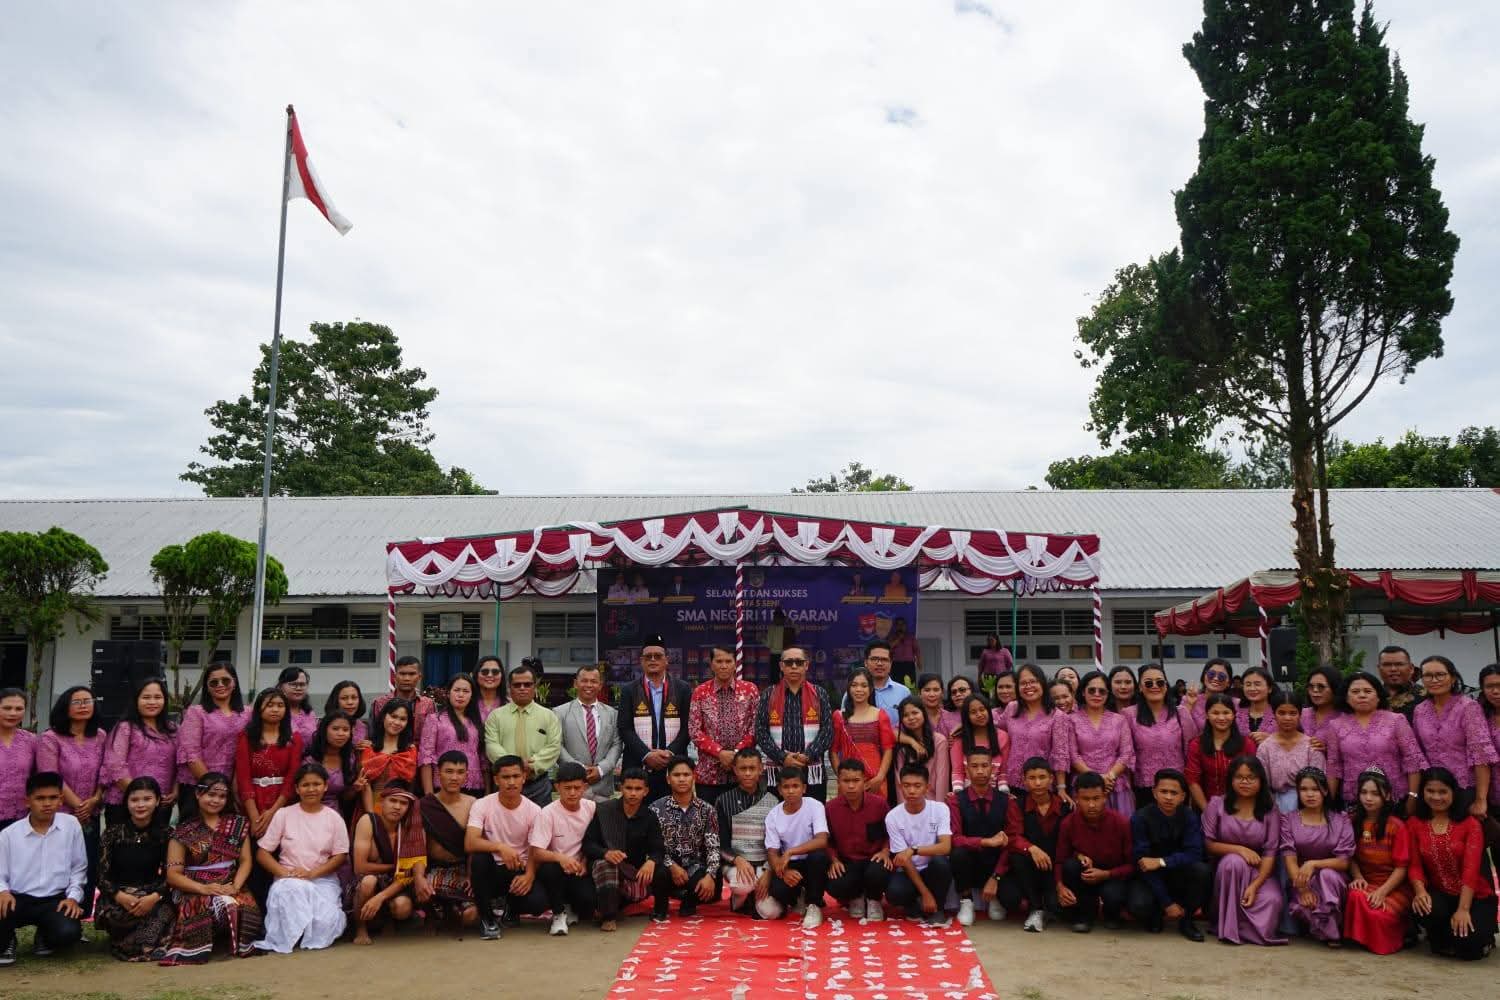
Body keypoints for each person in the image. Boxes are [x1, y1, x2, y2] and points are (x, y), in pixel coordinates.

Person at [160, 771, 263, 965]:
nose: (216, 800)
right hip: (194, 886)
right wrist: (204, 889)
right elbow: (173, 875)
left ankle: (233, 942)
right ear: (198, 795)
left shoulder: (238, 824)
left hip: (229, 882)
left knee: (245, 907)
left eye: (222, 796)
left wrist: (235, 886)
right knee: (212, 906)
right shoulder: (183, 831)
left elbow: (246, 860)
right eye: (211, 794)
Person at [253, 763, 350, 953]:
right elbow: (262, 853)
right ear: (297, 789)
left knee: (326, 922)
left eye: (316, 784)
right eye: (305, 785)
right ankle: (290, 935)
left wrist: (311, 873)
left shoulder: (334, 817)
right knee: (290, 889)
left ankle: (305, 931)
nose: (311, 789)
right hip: (288, 880)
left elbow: (340, 856)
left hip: (322, 880)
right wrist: (287, 874)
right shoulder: (284, 814)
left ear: (325, 786)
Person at [1407, 766, 1497, 960]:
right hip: (1441, 894)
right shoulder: (1415, 824)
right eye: (1430, 791)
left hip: (1475, 897)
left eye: (1442, 792)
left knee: (1469, 948)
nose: (1436, 797)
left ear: (1453, 793)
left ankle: (1482, 939)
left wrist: (1463, 910)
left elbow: (1471, 871)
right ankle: (1442, 936)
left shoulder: (1470, 824)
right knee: (1425, 908)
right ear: (1422, 793)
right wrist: (1420, 892)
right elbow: (1414, 865)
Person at [0, 772, 87, 966]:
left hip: (53, 900)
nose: (47, 803)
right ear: (27, 801)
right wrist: (3, 891)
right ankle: (7, 940)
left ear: (61, 800)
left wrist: (73, 897)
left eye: (53, 797)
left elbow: (78, 868)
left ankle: (45, 936)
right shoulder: (9, 835)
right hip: (17, 899)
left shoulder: (71, 825)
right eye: (40, 798)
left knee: (67, 933)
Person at [1202, 754, 1286, 945]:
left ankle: (1246, 931)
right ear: (1231, 780)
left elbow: (1270, 852)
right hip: (1227, 870)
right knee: (1234, 862)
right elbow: (1209, 843)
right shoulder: (1217, 805)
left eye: (1251, 777)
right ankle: (1228, 927)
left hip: (1259, 872)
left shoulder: (1270, 810)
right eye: (1239, 777)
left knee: (1272, 901)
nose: (1245, 782)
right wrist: (1239, 849)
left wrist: (1255, 885)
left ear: (1261, 781)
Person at [37, 686, 106, 917]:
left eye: (88, 701)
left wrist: (95, 800)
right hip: (60, 814)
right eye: (77, 702)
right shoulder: (51, 737)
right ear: (65, 706)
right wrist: (78, 805)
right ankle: (52, 919)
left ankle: (81, 915)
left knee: (86, 864)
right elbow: (51, 776)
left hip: (91, 813)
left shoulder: (101, 736)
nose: (84, 706)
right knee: (59, 868)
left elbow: (105, 772)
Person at [466, 755, 548, 939]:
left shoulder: (534, 811)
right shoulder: (482, 805)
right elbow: (470, 842)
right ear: (496, 780)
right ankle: (487, 919)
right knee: (479, 859)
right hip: (492, 870)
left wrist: (529, 875)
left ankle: (512, 908)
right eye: (505, 777)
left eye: (516, 776)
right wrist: (501, 847)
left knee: (538, 902)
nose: (511, 782)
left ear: (524, 777)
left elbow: (537, 850)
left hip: (519, 869)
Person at [93, 776, 174, 961]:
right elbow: (101, 874)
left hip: (151, 894)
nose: (140, 805)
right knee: (118, 916)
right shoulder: (112, 833)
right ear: (126, 802)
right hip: (119, 896)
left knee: (166, 911)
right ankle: (140, 943)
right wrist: (121, 897)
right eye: (134, 800)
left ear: (158, 801)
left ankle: (138, 943)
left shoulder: (166, 834)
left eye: (147, 799)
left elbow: (172, 873)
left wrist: (153, 898)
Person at [1325, 672, 1427, 812]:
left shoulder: (1397, 720)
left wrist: (1412, 797)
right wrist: (1328, 803)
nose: (1362, 695)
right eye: (1355, 691)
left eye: (1368, 691)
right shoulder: (1335, 726)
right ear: (1346, 698)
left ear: (1378, 696)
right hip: (1355, 800)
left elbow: (1413, 762)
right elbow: (1333, 767)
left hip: (1393, 798)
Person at [1128, 768, 1210, 941]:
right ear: (1154, 792)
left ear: (1182, 796)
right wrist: (1167, 903)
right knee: (1138, 905)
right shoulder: (1140, 818)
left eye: (1174, 793)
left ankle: (1186, 921)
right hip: (1148, 877)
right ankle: (1156, 913)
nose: (1168, 797)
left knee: (1202, 871)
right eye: (1163, 791)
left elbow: (1195, 853)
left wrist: (1162, 861)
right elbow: (1142, 864)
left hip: (1178, 873)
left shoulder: (1189, 817)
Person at [583, 768, 668, 932]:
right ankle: (608, 917)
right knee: (606, 866)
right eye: (629, 788)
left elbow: (658, 848)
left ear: (646, 791)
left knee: (661, 871)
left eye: (638, 789)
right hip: (606, 870)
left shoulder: (649, 816)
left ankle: (659, 911)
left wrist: (651, 862)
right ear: (621, 788)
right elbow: (588, 844)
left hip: (632, 872)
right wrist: (606, 853)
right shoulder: (604, 810)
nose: (633, 793)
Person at [1343, 767, 1414, 955]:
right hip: (1367, 882)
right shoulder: (1352, 821)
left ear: (1388, 795)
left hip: (1394, 886)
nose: (1368, 798)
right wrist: (1357, 877)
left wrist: (1382, 892)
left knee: (1379, 915)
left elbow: (1402, 868)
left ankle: (1398, 934)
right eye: (1364, 792)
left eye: (1375, 793)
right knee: (1355, 895)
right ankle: (1361, 939)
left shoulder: (1396, 826)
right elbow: (1349, 857)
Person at [1412, 656, 1495, 818]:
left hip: (1463, 789)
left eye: (1440, 674)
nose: (1434, 680)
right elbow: (1418, 754)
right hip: (1432, 791)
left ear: (1453, 678)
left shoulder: (1468, 707)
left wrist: (1480, 800)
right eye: (1428, 675)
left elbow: (1481, 756)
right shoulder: (1420, 710)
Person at [349, 779, 429, 945]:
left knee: (403, 906)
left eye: (403, 803)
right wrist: (397, 867)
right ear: (382, 801)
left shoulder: (413, 829)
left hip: (398, 883)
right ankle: (360, 928)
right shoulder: (368, 821)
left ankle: (389, 921)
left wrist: (380, 897)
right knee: (368, 882)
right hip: (367, 879)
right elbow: (360, 866)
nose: (397, 807)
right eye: (393, 800)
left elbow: (409, 873)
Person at [1279, 767, 1353, 946]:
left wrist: (1314, 863)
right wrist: (1303, 890)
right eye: (1304, 789)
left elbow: (1344, 862)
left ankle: (1333, 932)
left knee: (1327, 876)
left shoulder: (1341, 819)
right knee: (1305, 904)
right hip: (1302, 880)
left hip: (1334, 879)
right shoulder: (1288, 819)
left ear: (1325, 791)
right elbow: (1289, 858)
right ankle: (1326, 930)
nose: (1309, 794)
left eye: (1315, 789)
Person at [999, 756, 1072, 932]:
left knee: (1059, 908)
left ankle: (1049, 904)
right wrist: (1031, 848)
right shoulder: (1017, 804)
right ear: (1024, 780)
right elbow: (1013, 836)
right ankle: (1036, 908)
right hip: (1027, 868)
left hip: (1055, 868)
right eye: (1032, 778)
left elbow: (1069, 843)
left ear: (1051, 779)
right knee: (1009, 895)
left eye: (1042, 777)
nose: (1037, 783)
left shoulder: (1065, 806)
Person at [617, 636, 693, 802]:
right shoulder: (629, 690)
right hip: (638, 766)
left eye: (658, 656)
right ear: (641, 661)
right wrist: (646, 755)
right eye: (648, 656)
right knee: (637, 819)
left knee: (673, 815)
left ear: (667, 660)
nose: (653, 660)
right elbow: (624, 728)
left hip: (672, 766)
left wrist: (669, 753)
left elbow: (689, 727)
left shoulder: (683, 689)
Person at [1055, 771, 1133, 933]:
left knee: (1114, 895)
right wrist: (1060, 886)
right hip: (1085, 878)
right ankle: (1084, 916)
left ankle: (1112, 914)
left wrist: (1106, 874)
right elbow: (1060, 860)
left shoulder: (1121, 823)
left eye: (1096, 799)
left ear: (1105, 797)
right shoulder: (1068, 823)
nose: (1091, 805)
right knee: (1070, 866)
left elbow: (1132, 865)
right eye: (1085, 799)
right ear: (1076, 798)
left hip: (1112, 876)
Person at [756, 646, 834, 801]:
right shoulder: (768, 694)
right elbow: (760, 731)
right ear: (781, 666)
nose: (793, 666)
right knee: (779, 816)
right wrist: (783, 757)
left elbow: (827, 730)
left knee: (812, 817)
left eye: (798, 662)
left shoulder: (819, 693)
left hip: (811, 770)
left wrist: (807, 756)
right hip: (779, 769)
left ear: (806, 665)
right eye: (789, 662)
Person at [649, 757, 721, 920]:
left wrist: (710, 876)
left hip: (694, 866)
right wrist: (672, 865)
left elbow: (713, 847)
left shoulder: (707, 810)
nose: (681, 779)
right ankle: (661, 907)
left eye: (686, 774)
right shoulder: (655, 809)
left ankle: (689, 903)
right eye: (676, 775)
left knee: (714, 883)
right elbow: (652, 846)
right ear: (668, 779)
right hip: (667, 866)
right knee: (658, 870)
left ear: (694, 777)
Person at [758, 769, 832, 928]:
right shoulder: (773, 815)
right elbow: (772, 852)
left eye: (795, 786)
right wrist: (783, 872)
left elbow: (822, 840)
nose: (791, 791)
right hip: (789, 864)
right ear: (779, 790)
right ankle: (798, 897)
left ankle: (814, 905)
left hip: (811, 862)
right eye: (786, 787)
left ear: (804, 788)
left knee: (818, 857)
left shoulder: (814, 806)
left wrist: (791, 851)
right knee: (778, 890)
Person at [176, 662, 250, 822]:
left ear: (234, 682)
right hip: (199, 786)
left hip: (236, 787)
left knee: (228, 840)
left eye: (226, 680)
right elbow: (191, 754)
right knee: (195, 841)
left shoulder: (248, 713)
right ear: (207, 686)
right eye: (214, 682)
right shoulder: (196, 712)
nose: (220, 685)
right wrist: (215, 788)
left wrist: (232, 789)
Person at [531, 762, 599, 936]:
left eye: (577, 787)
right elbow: (536, 851)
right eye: (567, 788)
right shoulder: (547, 813)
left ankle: (570, 906)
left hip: (579, 870)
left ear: (584, 787)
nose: (572, 793)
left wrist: (584, 861)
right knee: (549, 866)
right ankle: (558, 913)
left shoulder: (591, 808)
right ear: (557, 787)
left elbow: (595, 841)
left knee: (588, 903)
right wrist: (561, 858)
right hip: (555, 869)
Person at [946, 748, 1012, 927]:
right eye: (975, 766)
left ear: (993, 769)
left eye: (985, 766)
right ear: (966, 770)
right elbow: (956, 838)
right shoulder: (955, 800)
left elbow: (1011, 839)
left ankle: (995, 896)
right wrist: (985, 842)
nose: (980, 771)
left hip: (995, 862)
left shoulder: (1006, 800)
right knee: (958, 852)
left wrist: (996, 877)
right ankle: (966, 901)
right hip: (969, 859)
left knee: (1007, 849)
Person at [482, 660, 562, 807]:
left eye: (527, 684)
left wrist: (533, 765)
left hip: (538, 784)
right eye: (517, 685)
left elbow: (554, 747)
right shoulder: (496, 716)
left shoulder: (549, 716)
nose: (522, 688)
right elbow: (492, 746)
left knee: (539, 826)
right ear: (509, 688)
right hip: (506, 783)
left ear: (535, 686)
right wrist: (515, 766)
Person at [101, 678, 178, 827]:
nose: (152, 702)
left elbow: (180, 764)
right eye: (146, 697)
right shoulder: (126, 728)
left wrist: (175, 791)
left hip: (161, 805)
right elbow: (115, 767)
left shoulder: (173, 729)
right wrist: (142, 798)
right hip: (126, 805)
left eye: (157, 697)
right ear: (136, 700)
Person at [687, 647, 759, 803]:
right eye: (719, 661)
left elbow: (756, 728)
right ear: (711, 665)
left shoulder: (750, 690)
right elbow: (694, 731)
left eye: (728, 661)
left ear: (735, 664)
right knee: (711, 821)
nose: (724, 666)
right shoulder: (700, 692)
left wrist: (735, 754)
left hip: (742, 772)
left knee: (740, 822)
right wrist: (720, 753)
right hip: (709, 775)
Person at [883, 763, 952, 926]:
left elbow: (945, 846)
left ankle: (938, 909)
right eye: (906, 786)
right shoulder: (893, 817)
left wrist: (913, 850)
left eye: (917, 786)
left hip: (932, 869)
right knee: (894, 893)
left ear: (927, 787)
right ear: (900, 786)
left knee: (941, 862)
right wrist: (925, 893)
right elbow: (904, 860)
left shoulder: (940, 809)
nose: (911, 791)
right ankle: (914, 904)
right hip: (908, 871)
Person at [235, 688, 302, 853]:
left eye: (280, 705)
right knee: (254, 849)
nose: (275, 709)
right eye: (270, 705)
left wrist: (273, 812)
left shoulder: (294, 739)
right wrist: (254, 817)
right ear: (259, 708)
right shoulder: (246, 737)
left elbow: (293, 775)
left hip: (283, 801)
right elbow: (243, 776)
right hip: (254, 800)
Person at [825, 759, 892, 923]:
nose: (851, 786)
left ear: (864, 781)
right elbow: (827, 840)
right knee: (834, 882)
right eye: (846, 781)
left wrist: (885, 851)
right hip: (847, 862)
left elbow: (890, 833)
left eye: (856, 781)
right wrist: (833, 859)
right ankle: (856, 896)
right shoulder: (830, 808)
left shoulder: (879, 804)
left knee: (880, 870)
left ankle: (873, 899)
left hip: (873, 859)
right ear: (838, 782)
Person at [417, 750, 479, 928]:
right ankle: (440, 910)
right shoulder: (424, 805)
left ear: (467, 775)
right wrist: (419, 877)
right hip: (435, 870)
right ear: (439, 773)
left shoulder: (473, 803)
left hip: (463, 870)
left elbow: (475, 846)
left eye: (460, 772)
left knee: (469, 916)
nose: (454, 777)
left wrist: (471, 875)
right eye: (449, 771)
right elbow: (418, 845)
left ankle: (451, 910)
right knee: (425, 894)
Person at [714, 749, 779, 915]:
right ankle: (740, 898)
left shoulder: (773, 801)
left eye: (752, 768)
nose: (748, 773)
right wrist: (737, 860)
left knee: (771, 913)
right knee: (741, 885)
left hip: (764, 864)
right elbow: (720, 843)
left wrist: (769, 871)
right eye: (743, 769)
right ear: (735, 770)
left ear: (761, 769)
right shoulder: (723, 800)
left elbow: (778, 843)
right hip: (737, 864)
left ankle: (754, 897)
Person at [1065, 671, 1136, 816]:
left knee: (1118, 831)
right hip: (1084, 784)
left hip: (1114, 785)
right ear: (1083, 692)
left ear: (1107, 694)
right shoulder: (1071, 719)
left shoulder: (1119, 719)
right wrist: (1096, 779)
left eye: (1102, 691)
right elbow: (1073, 755)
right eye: (1091, 690)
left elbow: (1126, 752)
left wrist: (1109, 776)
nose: (1097, 694)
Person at [997, 664, 1070, 799]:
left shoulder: (1057, 716)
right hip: (1011, 784)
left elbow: (1060, 754)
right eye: (1023, 683)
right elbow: (996, 729)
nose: (1028, 686)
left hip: (1041, 786)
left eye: (1033, 681)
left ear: (1042, 683)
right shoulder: (1012, 708)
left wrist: (1061, 788)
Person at [556, 662, 623, 803]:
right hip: (573, 787)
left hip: (603, 788)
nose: (589, 685)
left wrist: (601, 769)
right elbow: (557, 745)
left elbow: (616, 745)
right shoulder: (559, 713)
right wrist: (579, 770)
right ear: (575, 683)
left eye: (593, 681)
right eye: (584, 681)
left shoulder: (612, 714)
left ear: (600, 685)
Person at [1128, 664, 1191, 810]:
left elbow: (1190, 751)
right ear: (1140, 687)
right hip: (1144, 787)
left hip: (1177, 787)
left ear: (1166, 686)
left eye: (1160, 682)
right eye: (1149, 683)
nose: (1155, 686)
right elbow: (1127, 753)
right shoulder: (1129, 714)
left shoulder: (1181, 713)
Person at [1257, 688, 1325, 813]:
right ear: (1274, 714)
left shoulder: (1311, 746)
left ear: (1300, 714)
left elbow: (1318, 782)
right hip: (1274, 805)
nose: (1287, 718)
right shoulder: (1265, 747)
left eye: (1293, 713)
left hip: (1308, 805)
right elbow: (1262, 783)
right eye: (1281, 713)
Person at [419, 672, 487, 797]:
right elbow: (426, 758)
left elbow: (483, 758)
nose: (460, 695)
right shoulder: (435, 719)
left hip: (474, 786)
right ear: (448, 692)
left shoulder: (478, 721)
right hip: (443, 785)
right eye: (456, 690)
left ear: (472, 696)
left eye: (466, 691)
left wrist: (488, 792)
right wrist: (428, 795)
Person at [833, 667, 895, 796]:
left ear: (871, 689)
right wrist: (842, 778)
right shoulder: (839, 716)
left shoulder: (880, 715)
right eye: (854, 685)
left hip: (876, 781)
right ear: (848, 689)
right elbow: (833, 751)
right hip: (849, 782)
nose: (859, 690)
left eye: (864, 686)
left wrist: (880, 777)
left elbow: (888, 749)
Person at [360, 699, 420, 816]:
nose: (397, 722)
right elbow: (365, 785)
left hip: (401, 808)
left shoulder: (410, 750)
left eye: (402, 719)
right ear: (383, 716)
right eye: (393, 716)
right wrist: (372, 817)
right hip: (373, 806)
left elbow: (410, 786)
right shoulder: (369, 748)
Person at [1186, 692, 1243, 812]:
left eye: (1226, 712)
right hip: (1205, 807)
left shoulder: (1246, 744)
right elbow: (1192, 781)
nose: (1221, 718)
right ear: (1207, 715)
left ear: (1234, 715)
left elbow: (1253, 778)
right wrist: (1208, 812)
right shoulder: (1196, 745)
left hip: (1241, 809)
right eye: (1215, 713)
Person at [307, 713, 365, 819]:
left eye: (345, 730)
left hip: (336, 816)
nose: (341, 734)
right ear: (324, 730)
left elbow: (344, 798)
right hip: (310, 814)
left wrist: (354, 788)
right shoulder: (309, 761)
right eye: (335, 729)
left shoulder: (350, 759)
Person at [950, 694, 1009, 796]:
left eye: (982, 709)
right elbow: (957, 772)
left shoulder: (1002, 736)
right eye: (973, 712)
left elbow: (1003, 772)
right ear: (966, 716)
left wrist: (1003, 794)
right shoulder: (959, 739)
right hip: (967, 794)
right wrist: (959, 795)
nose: (979, 714)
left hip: (995, 794)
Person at [893, 697, 949, 802]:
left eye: (915, 713)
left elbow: (942, 778)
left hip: (934, 802)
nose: (911, 718)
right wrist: (904, 809)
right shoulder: (901, 747)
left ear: (923, 713)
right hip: (910, 804)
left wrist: (940, 807)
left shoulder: (939, 741)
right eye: (905, 715)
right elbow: (899, 780)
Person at [370, 656, 436, 741]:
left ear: (419, 677)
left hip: (419, 752)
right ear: (395, 676)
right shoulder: (380, 703)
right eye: (402, 674)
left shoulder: (428, 704)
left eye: (412, 674)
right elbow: (373, 735)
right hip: (387, 752)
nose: (406, 678)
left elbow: (432, 735)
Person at [0, 690, 36, 831]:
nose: (13, 713)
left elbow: (37, 776)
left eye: (19, 709)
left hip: (21, 817)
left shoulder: (31, 740)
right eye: (7, 708)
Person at [857, 640, 911, 726]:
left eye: (884, 660)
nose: (879, 663)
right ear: (866, 663)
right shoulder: (855, 692)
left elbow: (910, 725)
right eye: (874, 659)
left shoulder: (903, 692)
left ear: (891, 663)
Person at [1300, 666, 1345, 753]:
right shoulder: (1302, 714)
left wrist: (1328, 749)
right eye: (1311, 686)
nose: (1315, 690)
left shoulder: (1345, 717)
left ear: (1335, 688)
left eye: (1321, 687)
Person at [1183, 658, 1235, 728]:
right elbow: (1180, 729)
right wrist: (1189, 706)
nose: (1216, 678)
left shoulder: (1236, 704)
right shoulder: (1189, 700)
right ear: (1204, 676)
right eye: (1211, 674)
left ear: (1229, 682)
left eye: (1221, 676)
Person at [1378, 645, 1423, 719]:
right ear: (1379, 669)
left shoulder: (1426, 697)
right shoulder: (1372, 697)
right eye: (1387, 665)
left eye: (1399, 664)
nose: (1393, 669)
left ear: (1411, 668)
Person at [1236, 666, 1277, 744]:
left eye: (1257, 684)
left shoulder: (1279, 714)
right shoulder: (1235, 713)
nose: (1252, 689)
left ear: (1270, 688)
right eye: (1248, 685)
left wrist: (1271, 740)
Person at [324, 680, 371, 747]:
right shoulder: (324, 725)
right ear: (335, 701)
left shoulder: (363, 727)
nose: (350, 702)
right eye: (344, 698)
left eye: (354, 698)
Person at [473, 655, 507, 721]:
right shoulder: (467, 702)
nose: (490, 675)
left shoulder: (510, 704)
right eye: (485, 672)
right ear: (477, 674)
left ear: (501, 676)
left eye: (495, 672)